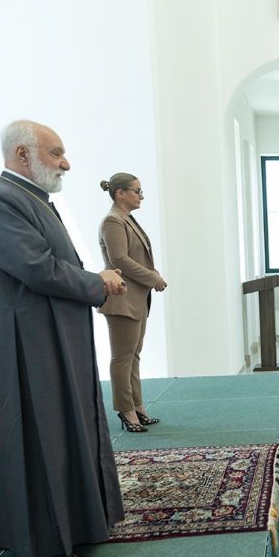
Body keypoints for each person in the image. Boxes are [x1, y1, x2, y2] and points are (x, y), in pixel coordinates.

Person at [0, 120, 126, 557]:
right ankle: (41, 546)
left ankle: (76, 524)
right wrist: (96, 282)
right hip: (27, 348)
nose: (67, 163)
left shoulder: (30, 198)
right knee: (38, 441)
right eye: (56, 153)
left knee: (61, 433)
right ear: (23, 155)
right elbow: (37, 268)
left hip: (47, 338)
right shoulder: (2, 200)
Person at [98, 173, 167, 434]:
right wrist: (153, 278)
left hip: (136, 297)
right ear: (120, 193)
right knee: (123, 358)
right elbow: (120, 260)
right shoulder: (113, 221)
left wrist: (151, 278)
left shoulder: (125, 219)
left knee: (133, 355)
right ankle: (125, 410)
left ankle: (137, 406)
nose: (141, 196)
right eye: (137, 191)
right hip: (122, 297)